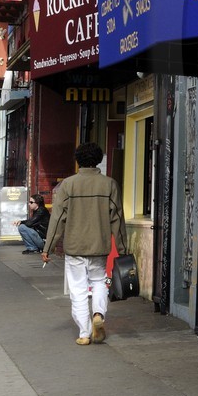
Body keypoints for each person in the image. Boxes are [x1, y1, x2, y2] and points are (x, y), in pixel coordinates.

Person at [42, 142, 127, 346]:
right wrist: (123, 249)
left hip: (74, 247)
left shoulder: (68, 185)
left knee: (78, 290)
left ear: (78, 160)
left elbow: (57, 219)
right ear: (98, 159)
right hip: (99, 246)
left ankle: (84, 333)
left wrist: (48, 248)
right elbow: (118, 218)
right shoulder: (109, 184)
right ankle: (98, 313)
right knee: (100, 282)